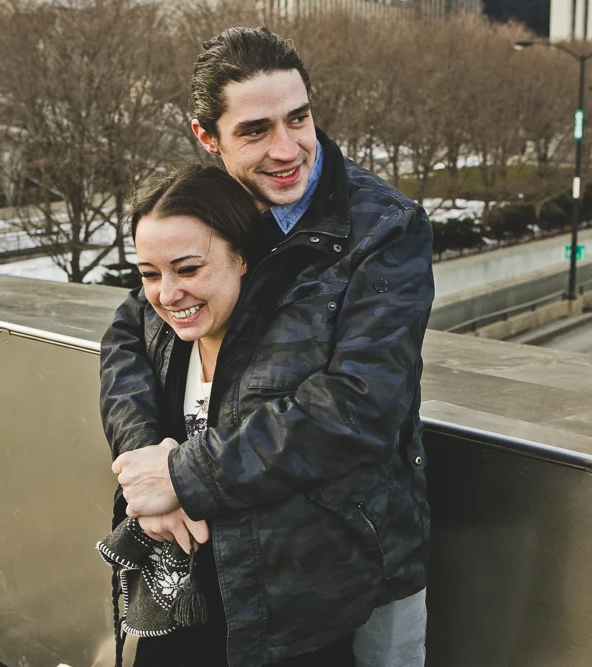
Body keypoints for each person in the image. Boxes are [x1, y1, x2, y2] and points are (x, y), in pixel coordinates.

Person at [100, 26, 434, 667]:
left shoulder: (385, 227)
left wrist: (181, 476)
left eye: (299, 119)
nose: (288, 149)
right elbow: (128, 331)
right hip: (209, 556)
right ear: (207, 136)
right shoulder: (209, 209)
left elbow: (362, 404)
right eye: (255, 130)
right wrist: (144, 459)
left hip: (329, 566)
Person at [100, 163, 355, 667]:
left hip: (282, 617)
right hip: (178, 599)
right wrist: (148, 461)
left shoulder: (299, 341)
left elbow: (333, 428)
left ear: (241, 256)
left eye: (189, 269)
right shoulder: (155, 330)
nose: (168, 294)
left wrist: (179, 478)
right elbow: (121, 343)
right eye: (150, 274)